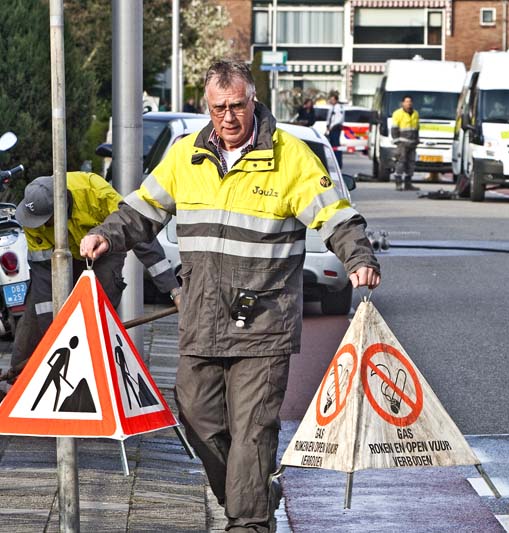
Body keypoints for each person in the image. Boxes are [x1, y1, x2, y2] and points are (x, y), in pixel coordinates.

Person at [79, 59, 381, 532]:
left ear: (252, 101)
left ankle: (249, 522)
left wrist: (359, 258)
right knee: (196, 417)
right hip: (201, 317)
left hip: (264, 323)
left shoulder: (291, 156)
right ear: (207, 106)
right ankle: (254, 493)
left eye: (237, 106)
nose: (228, 118)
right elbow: (142, 209)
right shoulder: (186, 155)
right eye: (219, 108)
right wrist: (107, 234)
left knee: (252, 432)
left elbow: (336, 216)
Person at [1, 172, 181, 389]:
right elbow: (43, 282)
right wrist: (55, 337)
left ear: (61, 208)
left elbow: (141, 239)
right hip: (59, 257)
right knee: (33, 320)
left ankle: (95, 383)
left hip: (104, 251)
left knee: (96, 314)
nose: (41, 226)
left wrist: (174, 290)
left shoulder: (95, 193)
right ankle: (19, 385)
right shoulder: (33, 219)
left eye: (46, 221)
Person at [390, 95, 420, 192]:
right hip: (402, 143)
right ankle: (398, 184)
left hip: (412, 143)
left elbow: (417, 128)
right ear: (403, 103)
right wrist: (396, 140)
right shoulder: (397, 114)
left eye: (410, 101)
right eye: (407, 102)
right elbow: (394, 128)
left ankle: (408, 184)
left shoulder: (415, 113)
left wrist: (417, 140)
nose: (409, 103)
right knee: (400, 163)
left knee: (411, 163)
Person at [325, 92, 345, 168]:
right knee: (332, 146)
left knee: (336, 146)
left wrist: (332, 126)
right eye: (331, 100)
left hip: (335, 128)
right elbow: (329, 118)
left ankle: (338, 163)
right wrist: (327, 126)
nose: (331, 101)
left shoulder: (339, 107)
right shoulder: (332, 107)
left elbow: (338, 119)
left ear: (336, 100)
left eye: (333, 100)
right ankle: (334, 162)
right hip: (331, 128)